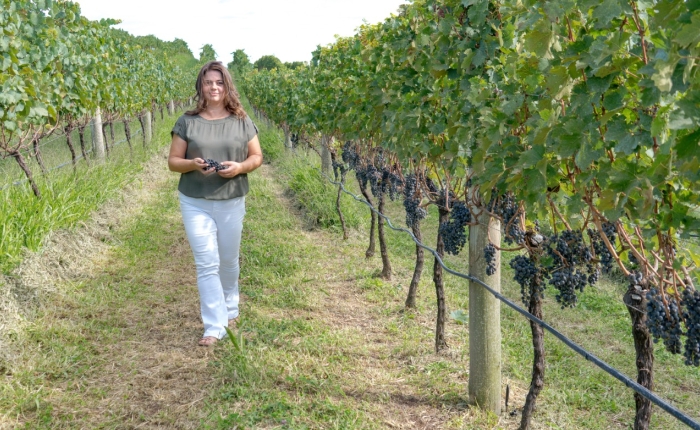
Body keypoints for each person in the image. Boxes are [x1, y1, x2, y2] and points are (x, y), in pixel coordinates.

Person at [168, 61, 263, 346]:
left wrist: (239, 168)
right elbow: (173, 163)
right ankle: (214, 326)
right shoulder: (187, 121)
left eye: (219, 82)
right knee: (206, 262)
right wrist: (193, 165)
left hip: (231, 200)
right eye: (209, 82)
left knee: (228, 261)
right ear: (201, 86)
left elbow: (257, 157)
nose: (214, 87)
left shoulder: (242, 120)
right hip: (194, 201)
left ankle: (230, 307)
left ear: (226, 86)